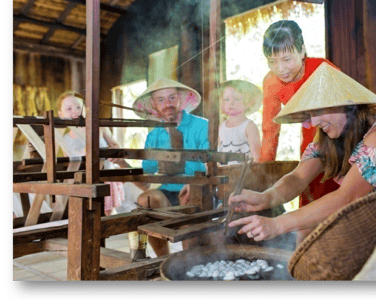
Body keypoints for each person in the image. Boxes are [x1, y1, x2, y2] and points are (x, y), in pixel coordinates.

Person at [228, 63, 376, 245]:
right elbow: (298, 177)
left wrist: (276, 224)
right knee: (304, 230)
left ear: (347, 105)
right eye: (310, 114)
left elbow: (347, 197)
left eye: (318, 111)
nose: (314, 121)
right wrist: (265, 198)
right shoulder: (330, 138)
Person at [260, 20, 340, 208]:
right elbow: (269, 130)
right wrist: (263, 170)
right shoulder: (271, 82)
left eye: (287, 59)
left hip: (339, 136)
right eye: (272, 61)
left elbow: (345, 113)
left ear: (302, 51)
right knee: (308, 189)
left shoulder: (322, 69)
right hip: (310, 140)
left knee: (336, 196)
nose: (280, 68)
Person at [128, 77, 208, 257]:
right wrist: (121, 163)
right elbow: (147, 180)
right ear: (153, 105)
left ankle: (189, 260)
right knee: (145, 201)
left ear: (181, 98)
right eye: (161, 100)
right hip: (167, 193)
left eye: (172, 97)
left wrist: (195, 182)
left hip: (198, 190)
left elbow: (213, 163)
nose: (167, 104)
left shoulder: (201, 125)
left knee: (189, 201)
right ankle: (163, 259)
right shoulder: (154, 134)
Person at [56, 91, 125, 216]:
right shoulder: (65, 138)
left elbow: (116, 146)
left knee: (108, 209)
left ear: (85, 109)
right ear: (60, 114)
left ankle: (110, 230)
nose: (75, 111)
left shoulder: (100, 127)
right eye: (69, 109)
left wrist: (113, 150)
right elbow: (68, 160)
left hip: (106, 174)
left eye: (78, 107)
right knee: (86, 211)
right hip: (83, 179)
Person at [217, 80, 262, 163]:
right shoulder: (221, 128)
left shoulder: (249, 127)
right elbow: (219, 154)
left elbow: (257, 157)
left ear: (248, 102)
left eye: (237, 99)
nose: (231, 103)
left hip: (245, 172)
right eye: (226, 99)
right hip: (224, 173)